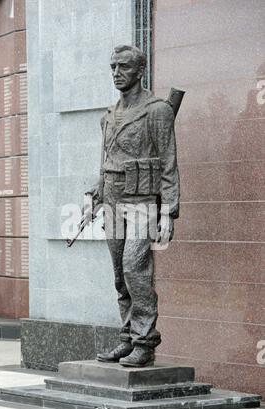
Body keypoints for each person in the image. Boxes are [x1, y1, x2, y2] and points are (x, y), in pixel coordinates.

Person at [87, 45, 180, 367]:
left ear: (139, 71)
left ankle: (145, 342)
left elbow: (168, 162)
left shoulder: (157, 110)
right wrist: (95, 194)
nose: (116, 73)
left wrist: (168, 210)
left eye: (124, 67)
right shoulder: (108, 116)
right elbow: (106, 161)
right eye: (113, 66)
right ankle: (127, 339)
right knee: (119, 275)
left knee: (134, 269)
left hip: (142, 199)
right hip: (112, 197)